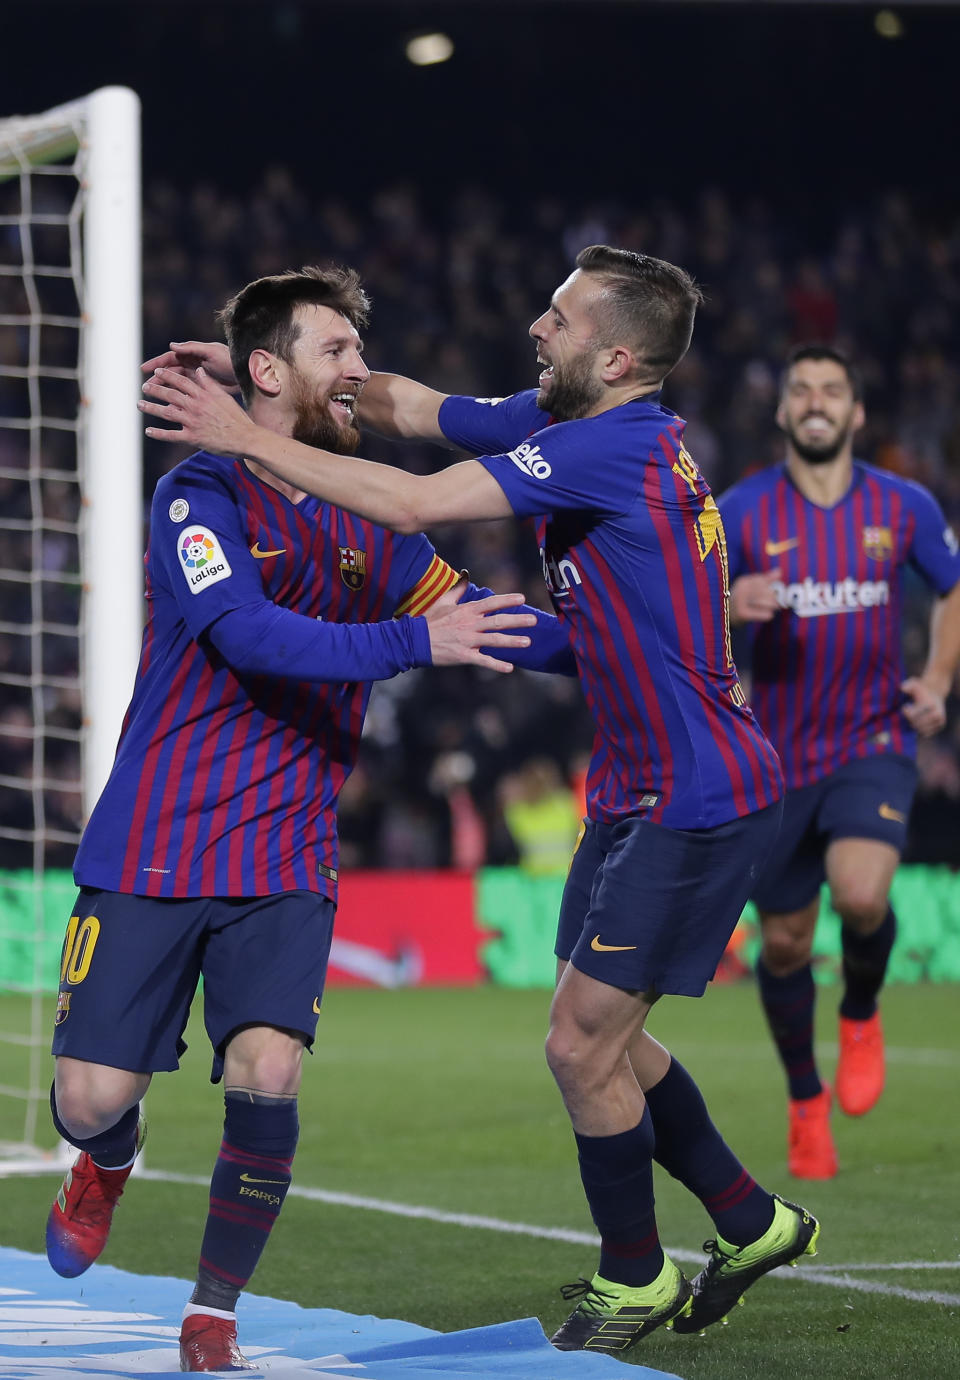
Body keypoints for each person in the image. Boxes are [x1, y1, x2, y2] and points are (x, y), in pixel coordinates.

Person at [141, 245, 820, 1354]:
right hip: (637, 786)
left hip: (695, 794)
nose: (534, 333)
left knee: (578, 1048)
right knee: (614, 1044)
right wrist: (281, 375)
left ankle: (634, 1277)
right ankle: (749, 1220)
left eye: (556, 321)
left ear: (611, 354)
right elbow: (414, 406)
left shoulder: (604, 448)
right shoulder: (581, 423)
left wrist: (248, 436)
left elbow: (409, 502)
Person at [48, 265, 575, 1373]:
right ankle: (109, 1155)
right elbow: (246, 633)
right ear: (271, 372)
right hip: (155, 835)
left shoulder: (369, 518)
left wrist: (641, 645)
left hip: (284, 848)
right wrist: (407, 646)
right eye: (338, 351)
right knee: (88, 1096)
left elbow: (479, 623)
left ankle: (215, 1307)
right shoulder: (198, 494)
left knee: (271, 1073)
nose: (360, 371)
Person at [717, 344, 960, 1179]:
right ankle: (804, 1101)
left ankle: (859, 1009)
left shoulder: (904, 505)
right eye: (800, 391)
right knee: (783, 946)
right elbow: (675, 606)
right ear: (782, 412)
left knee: (861, 895)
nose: (815, 402)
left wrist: (934, 678)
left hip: (873, 739)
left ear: (856, 414)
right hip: (776, 761)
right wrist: (725, 602)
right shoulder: (742, 511)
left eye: (832, 391)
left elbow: (953, 585)